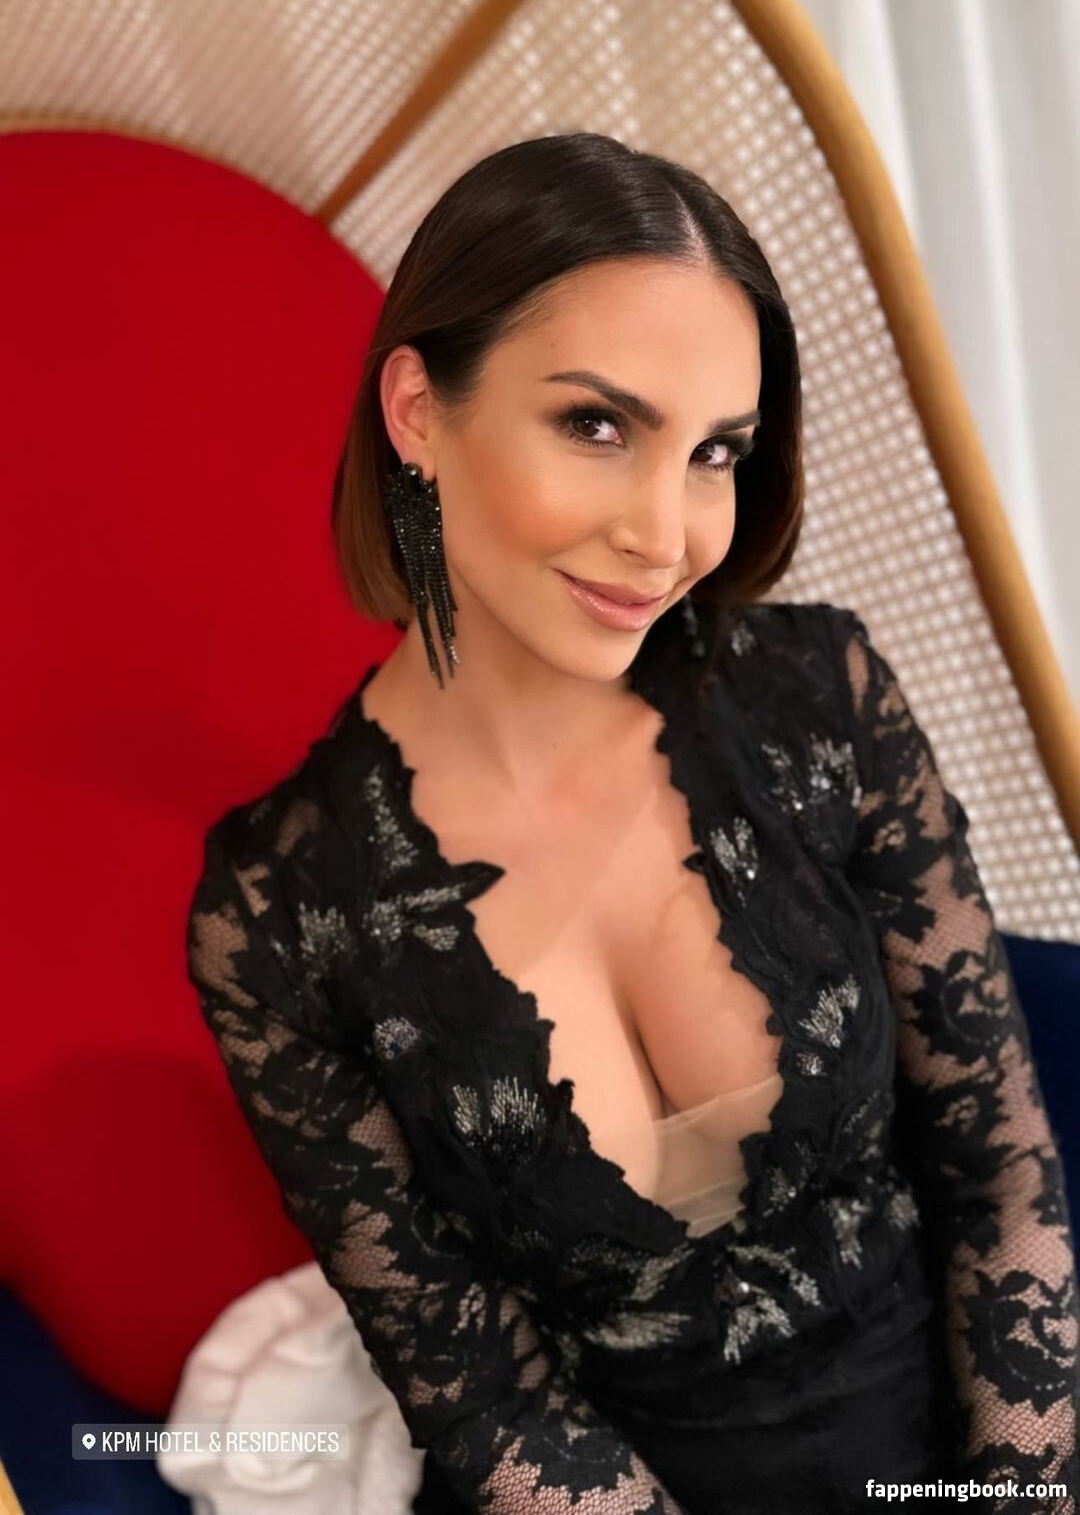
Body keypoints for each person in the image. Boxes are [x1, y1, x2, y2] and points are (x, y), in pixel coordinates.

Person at [186, 132, 1080, 1515]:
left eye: (715, 452)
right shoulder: (276, 915)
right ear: (418, 411)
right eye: (598, 426)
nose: (667, 536)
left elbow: (1003, 1184)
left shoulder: (818, 702)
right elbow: (482, 1402)